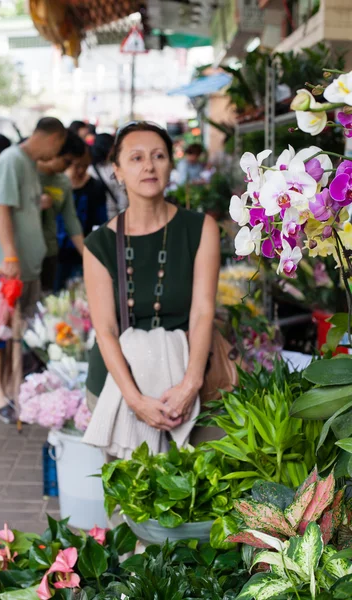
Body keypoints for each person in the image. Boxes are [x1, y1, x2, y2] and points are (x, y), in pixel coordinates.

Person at [83, 121, 220, 445]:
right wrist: (135, 400)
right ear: (117, 170)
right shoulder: (98, 244)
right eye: (136, 158)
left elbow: (203, 311)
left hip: (189, 381)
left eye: (158, 156)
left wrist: (190, 384)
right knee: (133, 491)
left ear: (171, 165)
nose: (148, 165)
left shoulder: (201, 228)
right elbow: (105, 329)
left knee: (204, 488)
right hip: (118, 387)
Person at [0, 117, 68, 424]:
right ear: (54, 139)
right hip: (5, 268)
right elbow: (2, 208)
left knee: (15, 332)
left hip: (26, 267)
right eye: (59, 146)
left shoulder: (30, 164)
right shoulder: (11, 160)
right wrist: (11, 257)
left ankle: (11, 390)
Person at [38, 130, 86, 292]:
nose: (68, 167)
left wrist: (87, 257)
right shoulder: (28, 172)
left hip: (49, 251)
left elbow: (71, 221)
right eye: (67, 161)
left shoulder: (63, 182)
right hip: (25, 252)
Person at [56, 149, 107, 290]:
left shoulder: (95, 186)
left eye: (85, 166)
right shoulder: (59, 183)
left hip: (85, 248)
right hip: (58, 251)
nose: (80, 170)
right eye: (76, 166)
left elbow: (101, 220)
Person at [88, 133, 128, 220]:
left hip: (98, 216)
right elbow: (121, 192)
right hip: (114, 215)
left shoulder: (89, 169)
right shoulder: (112, 168)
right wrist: (123, 212)